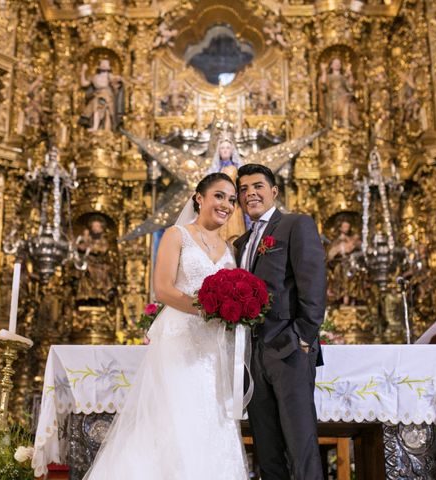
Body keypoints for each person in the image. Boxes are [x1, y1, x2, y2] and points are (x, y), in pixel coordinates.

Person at [84, 172, 247, 480]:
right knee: (175, 416)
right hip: (181, 340)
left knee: (212, 420)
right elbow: (164, 289)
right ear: (199, 198)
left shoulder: (230, 249)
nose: (226, 204)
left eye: (232, 200)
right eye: (219, 196)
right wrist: (207, 308)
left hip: (215, 348)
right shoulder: (177, 235)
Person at [233, 163, 326, 480]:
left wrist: (303, 336)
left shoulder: (295, 225)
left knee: (300, 443)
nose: (250, 193)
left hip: (289, 348)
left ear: (273, 191)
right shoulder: (242, 243)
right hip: (253, 355)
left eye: (257, 186)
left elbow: (312, 284)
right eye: (243, 189)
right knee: (267, 447)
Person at [209, 136, 247, 241]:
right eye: (222, 148)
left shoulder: (238, 168)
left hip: (233, 206)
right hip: (217, 207)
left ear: (232, 151)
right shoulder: (215, 170)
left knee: (234, 235)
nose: (225, 150)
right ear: (218, 151)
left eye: (227, 148)